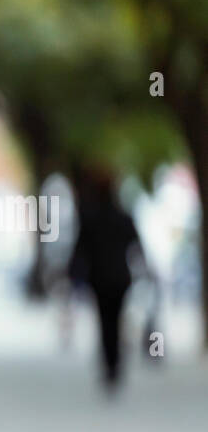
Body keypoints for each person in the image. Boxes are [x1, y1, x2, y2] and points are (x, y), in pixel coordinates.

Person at [67, 167, 148, 393]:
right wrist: (144, 269)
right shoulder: (123, 217)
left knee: (105, 323)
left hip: (100, 279)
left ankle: (110, 365)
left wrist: (72, 274)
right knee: (117, 320)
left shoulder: (90, 218)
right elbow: (138, 246)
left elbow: (79, 249)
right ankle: (115, 364)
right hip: (120, 278)